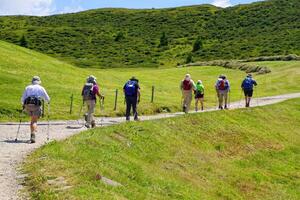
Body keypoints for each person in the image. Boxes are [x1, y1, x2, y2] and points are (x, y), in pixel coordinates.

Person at [21, 76, 50, 143]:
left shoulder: (27, 87)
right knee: (34, 121)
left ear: (32, 81)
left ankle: (33, 130)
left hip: (28, 106)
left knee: (32, 120)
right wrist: (47, 102)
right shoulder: (41, 88)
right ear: (39, 82)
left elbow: (22, 98)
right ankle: (33, 135)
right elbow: (47, 98)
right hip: (36, 106)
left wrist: (23, 105)